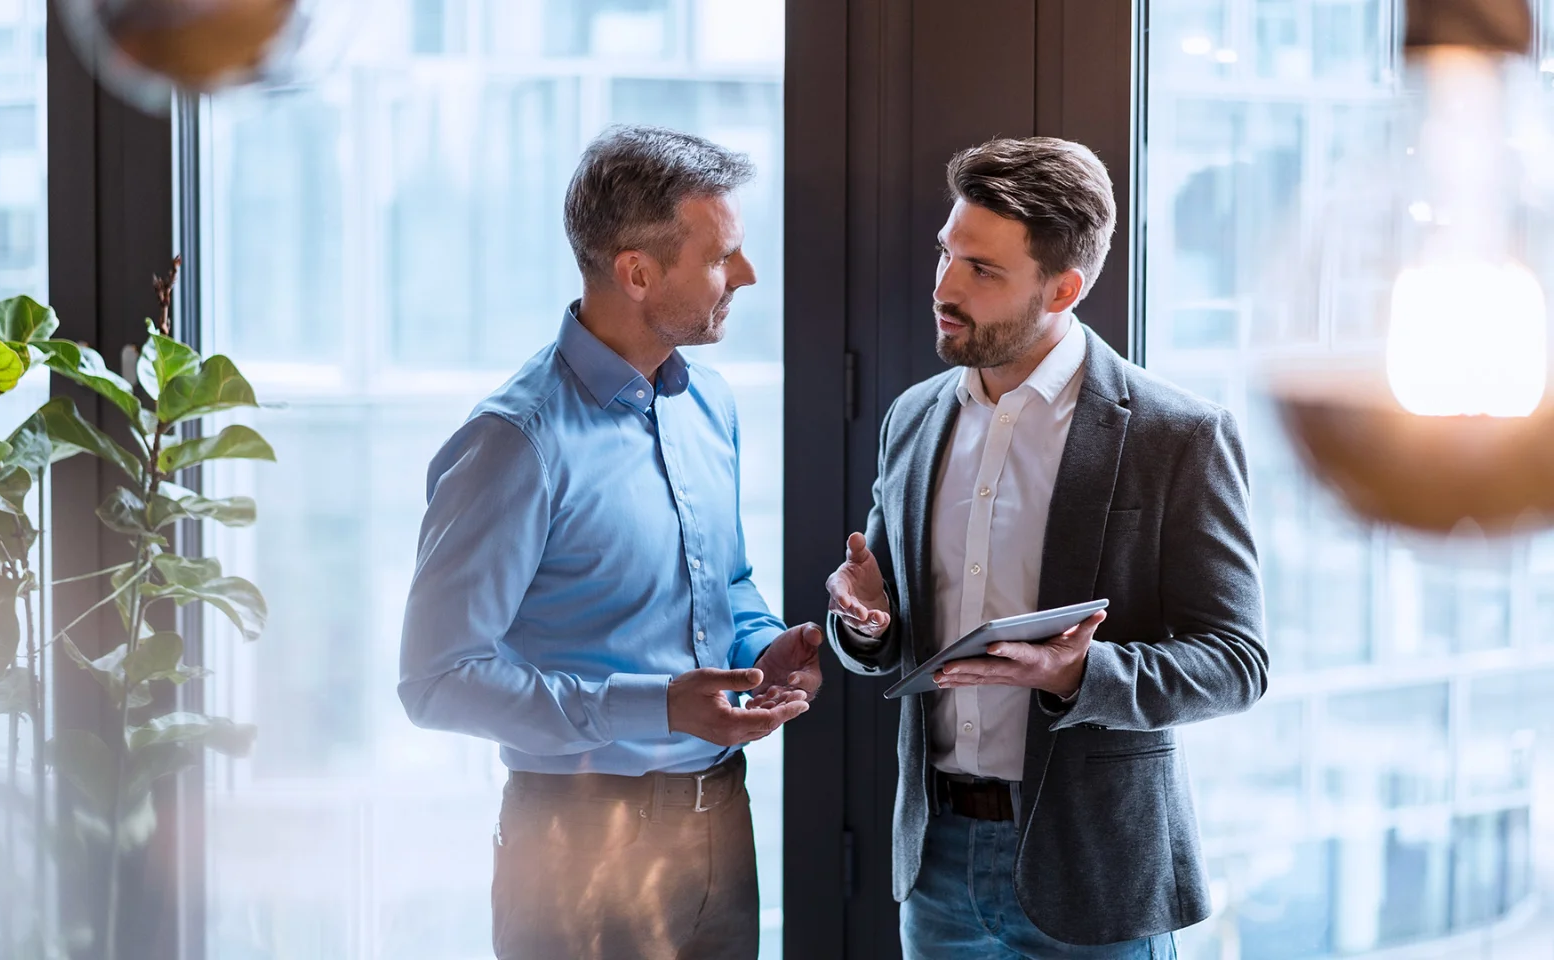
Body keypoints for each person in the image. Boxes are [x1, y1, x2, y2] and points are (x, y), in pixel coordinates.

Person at [826, 137, 1268, 959]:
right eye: (946, 253)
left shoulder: (1179, 435)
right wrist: (865, 624)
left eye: (982, 270)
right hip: (935, 865)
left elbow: (1238, 663)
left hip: (1094, 873)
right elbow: (882, 642)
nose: (946, 287)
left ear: (1064, 287)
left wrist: (1077, 675)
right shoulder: (912, 418)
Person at [398, 124, 821, 960]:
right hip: (574, 843)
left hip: (721, 822)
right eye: (721, 256)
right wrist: (654, 704)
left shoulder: (710, 405)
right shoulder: (514, 442)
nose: (747, 274)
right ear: (637, 272)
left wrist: (765, 646)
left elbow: (727, 579)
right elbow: (436, 683)